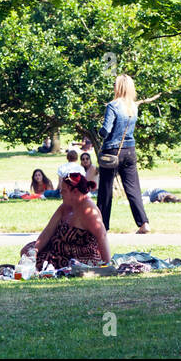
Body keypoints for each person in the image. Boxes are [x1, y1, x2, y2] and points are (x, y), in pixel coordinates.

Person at [20, 172, 110, 269]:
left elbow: (102, 236)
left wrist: (106, 266)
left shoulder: (88, 210)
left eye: (64, 191)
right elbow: (48, 231)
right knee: (26, 252)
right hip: (56, 250)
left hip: (78, 258)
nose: (61, 193)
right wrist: (35, 250)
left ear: (75, 191)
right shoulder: (65, 206)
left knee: (39, 264)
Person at [96, 74, 151, 234]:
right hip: (130, 150)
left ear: (118, 87)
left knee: (105, 190)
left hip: (112, 151)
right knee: (133, 188)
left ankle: (102, 225)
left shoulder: (112, 106)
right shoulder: (134, 107)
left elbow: (105, 131)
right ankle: (143, 223)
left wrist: (99, 131)